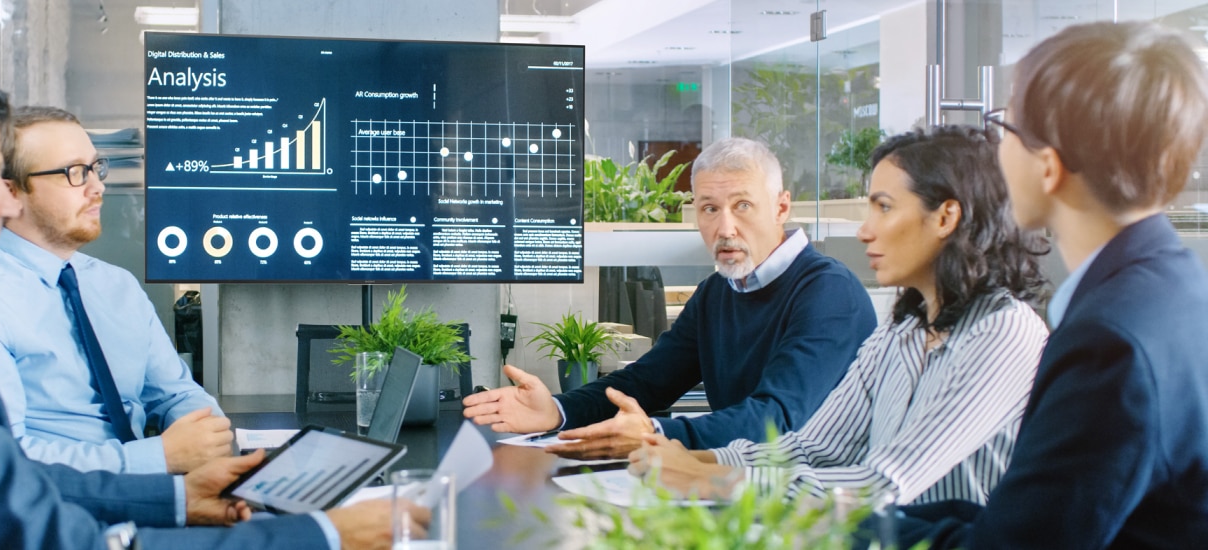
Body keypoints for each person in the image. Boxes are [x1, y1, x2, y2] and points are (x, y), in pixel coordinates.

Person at [0, 51, 408, 549]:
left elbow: (3, 482)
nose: (3, 203)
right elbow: (44, 535)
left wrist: (176, 496)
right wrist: (322, 537)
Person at [886, 21, 1208, 548]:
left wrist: (831, 530)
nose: (996, 151)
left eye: (1005, 130)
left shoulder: (1110, 342)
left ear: (1049, 168)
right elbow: (1042, 511)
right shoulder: (1173, 286)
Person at [626, 126, 1049, 507]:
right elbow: (812, 448)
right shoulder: (902, 332)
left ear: (945, 217)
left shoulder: (1004, 330)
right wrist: (689, 457)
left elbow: (880, 485)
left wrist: (713, 478)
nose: (865, 230)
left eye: (884, 208)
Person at [464, 137, 877, 458]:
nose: (725, 227)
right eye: (709, 208)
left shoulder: (828, 292)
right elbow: (646, 382)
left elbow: (779, 419)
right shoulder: (719, 290)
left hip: (821, 503)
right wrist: (556, 411)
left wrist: (656, 434)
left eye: (743, 205)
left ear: (781, 207)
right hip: (740, 482)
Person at [0, 106, 227, 475]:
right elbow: (4, 458)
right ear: (9, 192)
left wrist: (209, 442)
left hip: (164, 489)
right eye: (74, 173)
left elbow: (177, 394)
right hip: (67, 509)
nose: (98, 187)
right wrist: (159, 458)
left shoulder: (116, 285)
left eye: (96, 167)